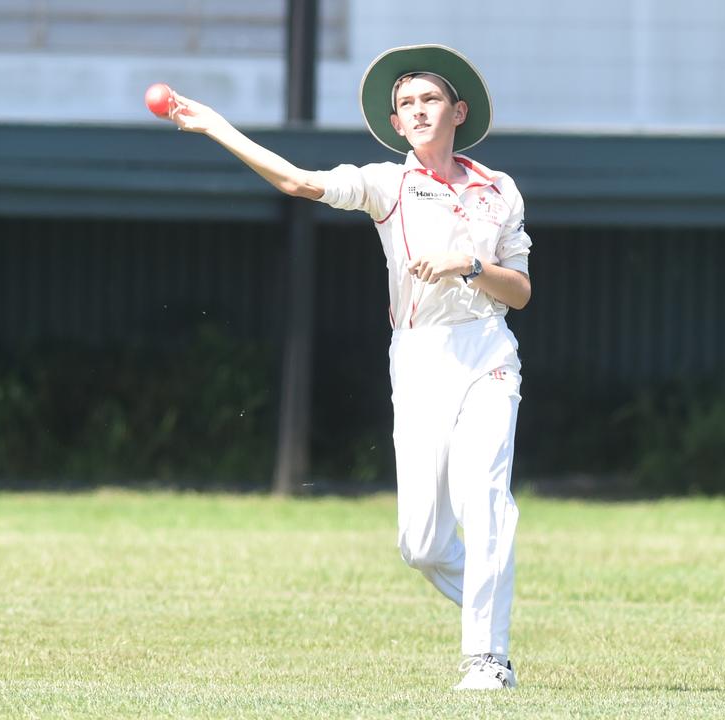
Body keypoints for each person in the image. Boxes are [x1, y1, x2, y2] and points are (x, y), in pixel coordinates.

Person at [168, 44, 530, 691]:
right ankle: (490, 590)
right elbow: (297, 182)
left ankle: (487, 657)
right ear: (396, 124)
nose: (418, 111)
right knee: (419, 544)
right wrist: (218, 127)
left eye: (429, 99)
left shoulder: (498, 190)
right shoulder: (388, 184)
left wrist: (466, 264)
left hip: (486, 350)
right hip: (419, 358)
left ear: (458, 110)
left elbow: (522, 292)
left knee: (486, 498)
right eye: (406, 105)